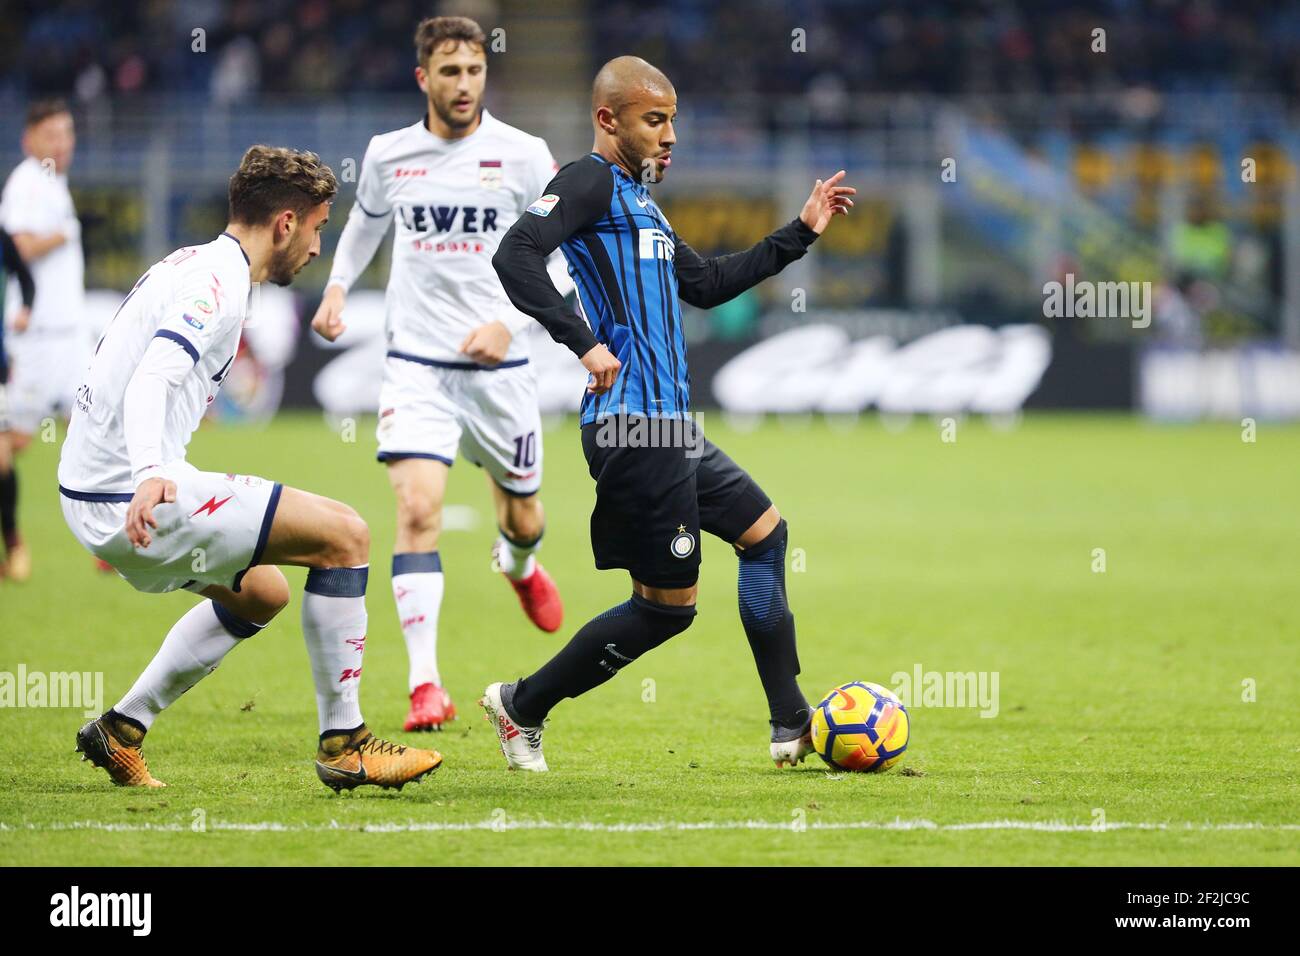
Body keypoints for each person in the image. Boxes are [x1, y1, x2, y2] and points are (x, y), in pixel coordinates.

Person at [483, 56, 855, 770]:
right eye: (655, 119)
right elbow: (516, 254)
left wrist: (801, 232)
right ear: (607, 120)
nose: (670, 134)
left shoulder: (639, 202)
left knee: (766, 535)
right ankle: (521, 705)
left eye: (672, 119)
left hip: (670, 428)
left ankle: (790, 721)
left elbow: (709, 284)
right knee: (666, 610)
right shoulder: (588, 182)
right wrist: (583, 342)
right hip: (633, 428)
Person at [61, 145, 441, 792]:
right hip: (129, 491)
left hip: (92, 493)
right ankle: (346, 744)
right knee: (345, 535)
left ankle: (121, 728)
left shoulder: (198, 264)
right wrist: (154, 468)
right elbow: (155, 375)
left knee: (260, 591)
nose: (320, 247)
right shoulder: (218, 285)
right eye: (320, 227)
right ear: (286, 223)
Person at [311, 15, 572, 732]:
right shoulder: (389, 154)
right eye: (450, 72)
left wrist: (511, 324)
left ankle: (519, 567)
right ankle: (426, 683)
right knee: (418, 511)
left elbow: (564, 255)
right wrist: (337, 287)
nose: (464, 85)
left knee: (521, 513)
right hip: (416, 363)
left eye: (475, 71)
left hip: (501, 365)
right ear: (423, 77)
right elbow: (365, 221)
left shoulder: (524, 155)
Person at [0, 99, 84, 579]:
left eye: (68, 133)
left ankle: (112, 540)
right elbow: (19, 246)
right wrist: (64, 232)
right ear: (29, 139)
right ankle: (13, 538)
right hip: (36, 336)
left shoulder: (53, 181)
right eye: (52, 134)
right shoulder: (27, 182)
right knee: (16, 439)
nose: (63, 143)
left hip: (67, 334)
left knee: (97, 424)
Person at [0, 228, 35, 579]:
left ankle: (14, 544)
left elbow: (26, 277)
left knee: (2, 459)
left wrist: (25, 308)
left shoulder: (3, 239)